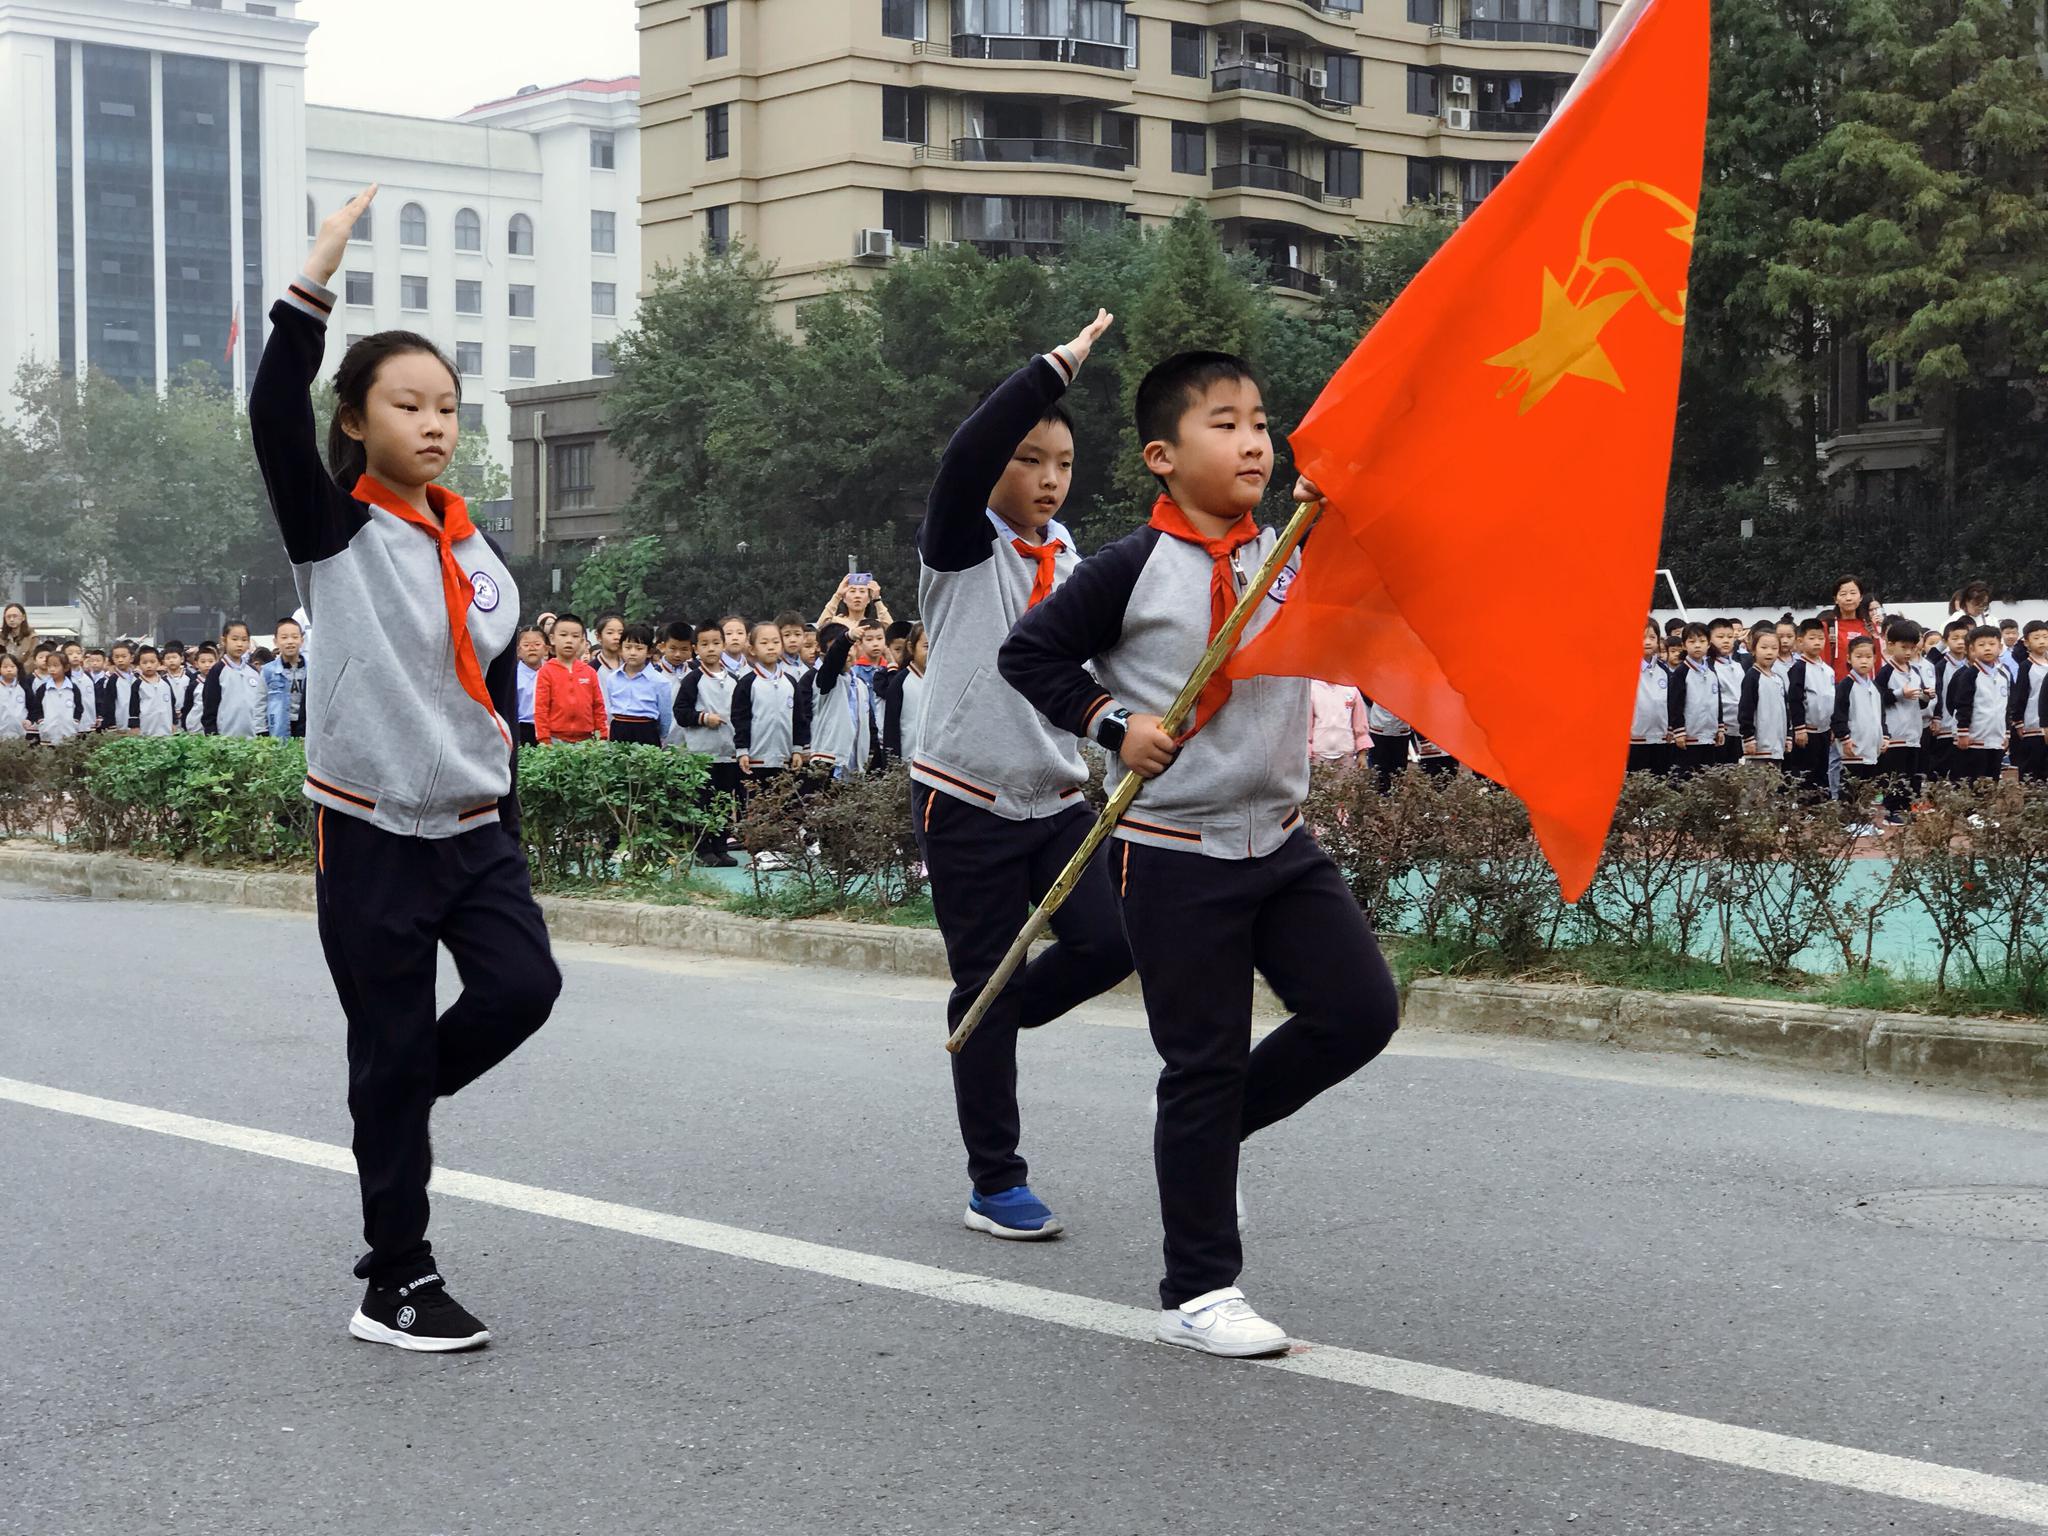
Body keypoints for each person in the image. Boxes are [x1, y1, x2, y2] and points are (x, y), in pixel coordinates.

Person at [1000, 349, 1400, 1357]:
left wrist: (1340, 501)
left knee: (1358, 1013)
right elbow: (1029, 655)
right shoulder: (1127, 569)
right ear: (1161, 456)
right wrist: (1110, 723)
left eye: (1260, 420)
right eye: (1224, 423)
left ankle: (1203, 1147)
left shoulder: (1293, 549)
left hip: (1279, 841)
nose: (1253, 440)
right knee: (1203, 1058)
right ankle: (1199, 1287)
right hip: (1171, 852)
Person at [249, 184, 560, 1352]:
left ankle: (394, 1094)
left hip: (476, 828)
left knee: (522, 992)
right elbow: (273, 410)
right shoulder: (332, 533)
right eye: (408, 404)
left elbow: (494, 692)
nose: (435, 423)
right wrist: (316, 274)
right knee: (385, 1044)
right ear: (357, 424)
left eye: (447, 406)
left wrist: (510, 812)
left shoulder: (478, 544)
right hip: (369, 828)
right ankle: (397, 1279)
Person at [909, 311, 1133, 1243]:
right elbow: (965, 455)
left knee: (1108, 948)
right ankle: (994, 1181)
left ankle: (994, 1019)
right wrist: (1056, 369)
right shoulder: (963, 546)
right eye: (1029, 458)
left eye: (1063, 464)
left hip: (1056, 799)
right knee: (982, 981)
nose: (1047, 478)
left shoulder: (1072, 555)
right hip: (965, 800)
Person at [674, 621, 741, 866]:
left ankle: (721, 847)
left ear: (723, 645)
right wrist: (703, 718)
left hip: (728, 753)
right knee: (701, 803)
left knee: (723, 802)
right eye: (704, 644)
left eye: (715, 643)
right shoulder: (692, 680)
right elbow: (681, 712)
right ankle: (703, 850)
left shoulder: (734, 679)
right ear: (695, 648)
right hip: (701, 754)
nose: (711, 648)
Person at [794, 622, 874, 780]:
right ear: (823, 653)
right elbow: (834, 661)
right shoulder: (823, 678)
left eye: (850, 648)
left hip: (855, 764)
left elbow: (869, 724)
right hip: (828, 760)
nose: (847, 654)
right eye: (842, 648)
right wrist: (846, 639)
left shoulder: (859, 684)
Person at [731, 620, 801, 793]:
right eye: (764, 643)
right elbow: (740, 718)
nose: (771, 647)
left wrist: (798, 749)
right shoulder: (747, 683)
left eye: (776, 642)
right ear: (752, 649)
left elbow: (799, 718)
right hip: (755, 758)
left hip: (785, 759)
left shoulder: (790, 682)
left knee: (785, 810)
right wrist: (742, 750)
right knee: (755, 808)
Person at [1873, 621, 1929, 820]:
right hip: (1895, 731)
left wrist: (1926, 696)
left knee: (1912, 774)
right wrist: (1899, 693)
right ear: (1890, 645)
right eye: (1903, 647)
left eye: (1912, 648)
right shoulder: (1886, 671)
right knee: (1896, 774)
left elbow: (1920, 703)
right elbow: (1878, 697)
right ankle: (1892, 810)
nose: (1908, 652)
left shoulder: (1915, 671)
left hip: (1914, 731)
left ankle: (1907, 807)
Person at [1948, 624, 2012, 784]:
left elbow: (2007, 706)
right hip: (1974, 739)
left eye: (1992, 644)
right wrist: (1963, 732)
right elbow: (1962, 704)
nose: (1987, 649)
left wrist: (2007, 732)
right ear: (1972, 649)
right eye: (1981, 645)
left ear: (2000, 647)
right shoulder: (1969, 675)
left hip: (1996, 739)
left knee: (1992, 781)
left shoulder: (2004, 674)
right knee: (1972, 782)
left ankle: (1987, 809)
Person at [533, 613, 606, 744]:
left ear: (582, 641)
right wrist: (544, 740)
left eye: (575, 636)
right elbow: (541, 709)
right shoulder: (546, 672)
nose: (569, 640)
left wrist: (602, 736)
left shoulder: (589, 672)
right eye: (563, 635)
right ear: (552, 639)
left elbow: (598, 707)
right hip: (555, 740)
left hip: (587, 741)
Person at [1833, 636, 1886, 809]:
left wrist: (1885, 735)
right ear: (1849, 658)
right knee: (1851, 786)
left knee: (1867, 786)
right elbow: (1838, 715)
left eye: (1868, 657)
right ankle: (1849, 820)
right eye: (1859, 656)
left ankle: (1863, 821)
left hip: (1872, 746)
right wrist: (1844, 738)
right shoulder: (1846, 685)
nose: (1864, 661)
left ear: (1875, 659)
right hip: (1854, 746)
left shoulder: (1875, 687)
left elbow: (1881, 714)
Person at [1784, 618, 1835, 798]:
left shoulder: (1828, 670)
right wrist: (1799, 728)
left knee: (1822, 770)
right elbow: (1795, 699)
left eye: (1820, 638)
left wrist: (1832, 727)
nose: (1817, 642)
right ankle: (1805, 809)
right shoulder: (1799, 668)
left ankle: (1821, 809)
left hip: (1824, 729)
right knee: (1806, 772)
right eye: (1812, 638)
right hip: (1806, 731)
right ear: (1800, 641)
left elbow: (1830, 699)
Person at [1666, 622, 1722, 779]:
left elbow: (1716, 700)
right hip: (1688, 737)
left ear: (1709, 644)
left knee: (1707, 780)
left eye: (1702, 641)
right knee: (1686, 780)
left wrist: (1720, 726)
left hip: (1709, 737)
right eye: (1692, 641)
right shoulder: (1681, 672)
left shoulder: (1711, 671)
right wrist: (1678, 731)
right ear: (1684, 645)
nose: (1697, 645)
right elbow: (1675, 704)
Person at [602, 622, 667, 745]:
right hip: (619, 729)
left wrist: (661, 735)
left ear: (649, 652)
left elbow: (665, 716)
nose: (632, 652)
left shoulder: (660, 681)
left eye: (639, 648)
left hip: (646, 730)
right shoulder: (612, 678)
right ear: (620, 649)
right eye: (628, 647)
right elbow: (609, 706)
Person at [200, 621, 264, 737]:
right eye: (234, 639)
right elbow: (210, 708)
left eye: (244, 640)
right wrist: (213, 736)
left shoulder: (254, 672)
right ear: (223, 641)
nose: (239, 644)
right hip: (226, 739)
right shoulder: (217, 671)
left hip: (253, 739)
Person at [1736, 627, 1789, 766]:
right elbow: (1745, 709)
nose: (1769, 652)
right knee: (1757, 785)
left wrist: (1788, 736)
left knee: (1774, 784)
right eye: (1764, 647)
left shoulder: (1778, 679)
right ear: (1753, 650)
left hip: (1777, 745)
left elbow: (1785, 710)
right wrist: (1748, 737)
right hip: (1759, 746)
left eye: (1774, 648)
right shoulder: (1752, 677)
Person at [1628, 621, 1672, 776]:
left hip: (1660, 739)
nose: (1647, 642)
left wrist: (1670, 727)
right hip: (1634, 739)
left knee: (1660, 783)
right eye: (1642, 637)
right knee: (1636, 783)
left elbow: (1671, 702)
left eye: (1652, 637)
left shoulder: (1664, 670)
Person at [2010, 620, 2048, 783]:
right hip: (2033, 726)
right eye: (2036, 637)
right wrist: (2018, 722)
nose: (2041, 641)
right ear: (2026, 642)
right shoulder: (2026, 666)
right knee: (2031, 772)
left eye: (2045, 637)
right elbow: (2020, 696)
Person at [1308, 679, 1371, 770]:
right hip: (1318, 753)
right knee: (1318, 783)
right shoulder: (1312, 688)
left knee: (1346, 784)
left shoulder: (1352, 689)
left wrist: (1362, 754)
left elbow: (1360, 725)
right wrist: (1307, 754)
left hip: (1346, 752)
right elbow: (1306, 727)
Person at [32, 649, 90, 746]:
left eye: (55, 666)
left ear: (66, 667)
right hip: (47, 736)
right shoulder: (43, 689)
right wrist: (42, 723)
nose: (52, 669)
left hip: (68, 735)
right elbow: (37, 709)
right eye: (49, 666)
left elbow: (79, 708)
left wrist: (74, 722)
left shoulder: (73, 688)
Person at [263, 617, 309, 739]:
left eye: (295, 637)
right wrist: (261, 733)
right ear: (275, 641)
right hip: (279, 728)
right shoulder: (268, 671)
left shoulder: (312, 669)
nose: (290, 642)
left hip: (306, 728)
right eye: (284, 637)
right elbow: (260, 704)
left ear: (302, 640)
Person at [127, 646, 179, 737]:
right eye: (144, 663)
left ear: (159, 663)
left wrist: (174, 722)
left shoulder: (165, 682)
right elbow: (133, 707)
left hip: (166, 728)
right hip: (146, 728)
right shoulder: (137, 684)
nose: (149, 666)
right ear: (138, 665)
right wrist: (134, 726)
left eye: (152, 662)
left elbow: (172, 703)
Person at [512, 626, 546, 747]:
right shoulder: (513, 676)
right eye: (526, 645)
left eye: (537, 644)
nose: (532, 648)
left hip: (548, 728)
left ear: (546, 649)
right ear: (518, 651)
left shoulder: (552, 672)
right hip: (522, 728)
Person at [96, 641, 139, 734]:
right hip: (120, 725)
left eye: (124, 657)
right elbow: (108, 703)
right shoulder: (112, 680)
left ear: (131, 658)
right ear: (113, 659)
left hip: (137, 725)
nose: (120, 660)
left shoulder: (137, 678)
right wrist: (111, 724)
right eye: (117, 657)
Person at [0, 654, 28, 740]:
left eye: (12, 666)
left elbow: (32, 706)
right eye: (5, 667)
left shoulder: (23, 686)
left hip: (20, 734)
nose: (9, 669)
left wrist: (29, 720)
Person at [590, 612, 626, 678]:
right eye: (610, 633)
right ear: (599, 637)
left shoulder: (630, 664)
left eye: (620, 633)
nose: (616, 637)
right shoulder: (591, 668)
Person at [0, 603, 35, 672]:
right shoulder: (1, 637)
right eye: (8, 617)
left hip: (24, 675)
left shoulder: (32, 638)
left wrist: (18, 673)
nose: (11, 619)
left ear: (23, 617)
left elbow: (32, 660)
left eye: (15, 616)